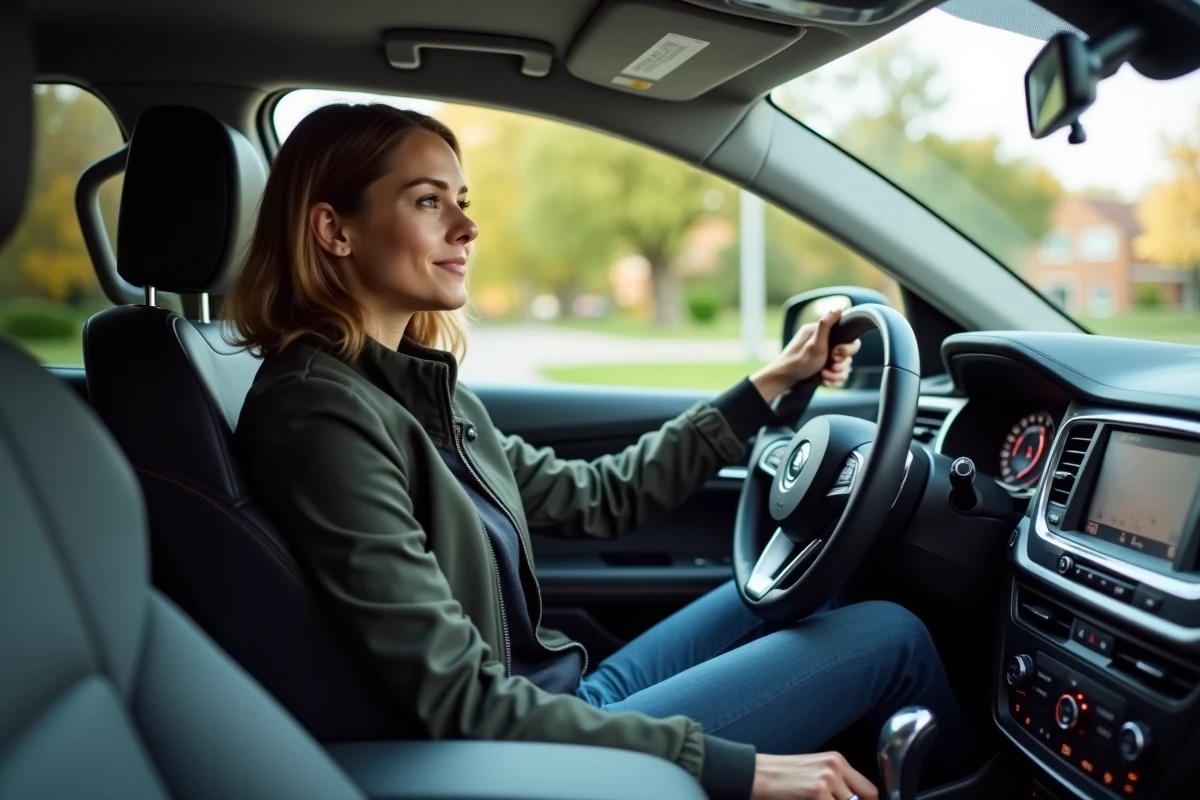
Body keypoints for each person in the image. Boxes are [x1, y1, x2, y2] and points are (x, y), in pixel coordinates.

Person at [227, 103, 973, 800]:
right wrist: (736, 769)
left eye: (464, 200)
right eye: (429, 202)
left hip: (563, 699)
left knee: (816, 584)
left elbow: (599, 496)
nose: (466, 227)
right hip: (526, 742)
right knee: (891, 638)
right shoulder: (318, 414)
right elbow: (456, 697)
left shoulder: (418, 391)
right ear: (334, 230)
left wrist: (768, 387)